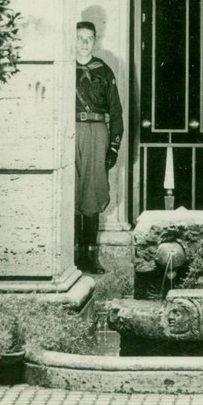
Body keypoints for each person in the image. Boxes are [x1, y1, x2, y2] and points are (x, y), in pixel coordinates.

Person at [74, 20, 123, 274]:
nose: (83, 43)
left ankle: (90, 257)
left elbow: (116, 112)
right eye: (79, 37)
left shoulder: (104, 71)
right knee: (70, 192)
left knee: (92, 193)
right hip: (70, 134)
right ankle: (71, 256)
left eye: (88, 38)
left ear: (95, 40)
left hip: (96, 134)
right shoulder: (64, 69)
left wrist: (113, 146)